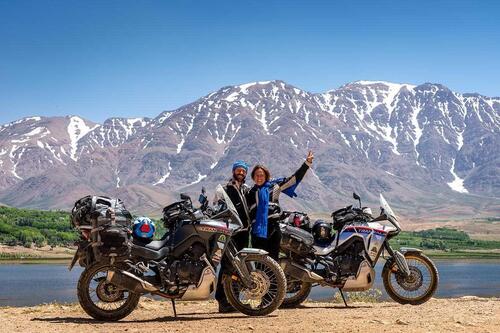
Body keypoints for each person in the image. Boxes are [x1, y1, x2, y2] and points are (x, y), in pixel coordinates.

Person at [247, 151, 314, 260]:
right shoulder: (250, 192)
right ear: (253, 177)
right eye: (257, 175)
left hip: (273, 229)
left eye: (262, 175)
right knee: (258, 261)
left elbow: (293, 179)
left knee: (273, 261)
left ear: (266, 176)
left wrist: (307, 164)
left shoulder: (274, 187)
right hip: (257, 232)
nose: (259, 178)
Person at [215, 160, 251, 313]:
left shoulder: (247, 189)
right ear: (233, 171)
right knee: (227, 266)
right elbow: (217, 208)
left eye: (243, 171)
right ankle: (223, 301)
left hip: (244, 232)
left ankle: (235, 300)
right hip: (230, 233)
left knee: (239, 266)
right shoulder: (225, 189)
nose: (241, 173)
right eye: (238, 170)